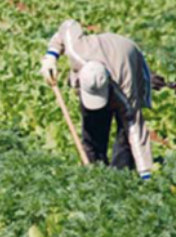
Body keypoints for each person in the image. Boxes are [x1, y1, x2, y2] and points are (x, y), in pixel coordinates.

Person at [40, 20, 153, 179]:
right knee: (93, 125)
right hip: (98, 58)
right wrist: (51, 56)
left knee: (125, 133)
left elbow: (135, 127)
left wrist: (145, 171)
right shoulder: (77, 53)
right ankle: (94, 172)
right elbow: (67, 26)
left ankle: (120, 177)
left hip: (128, 57)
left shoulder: (125, 89)